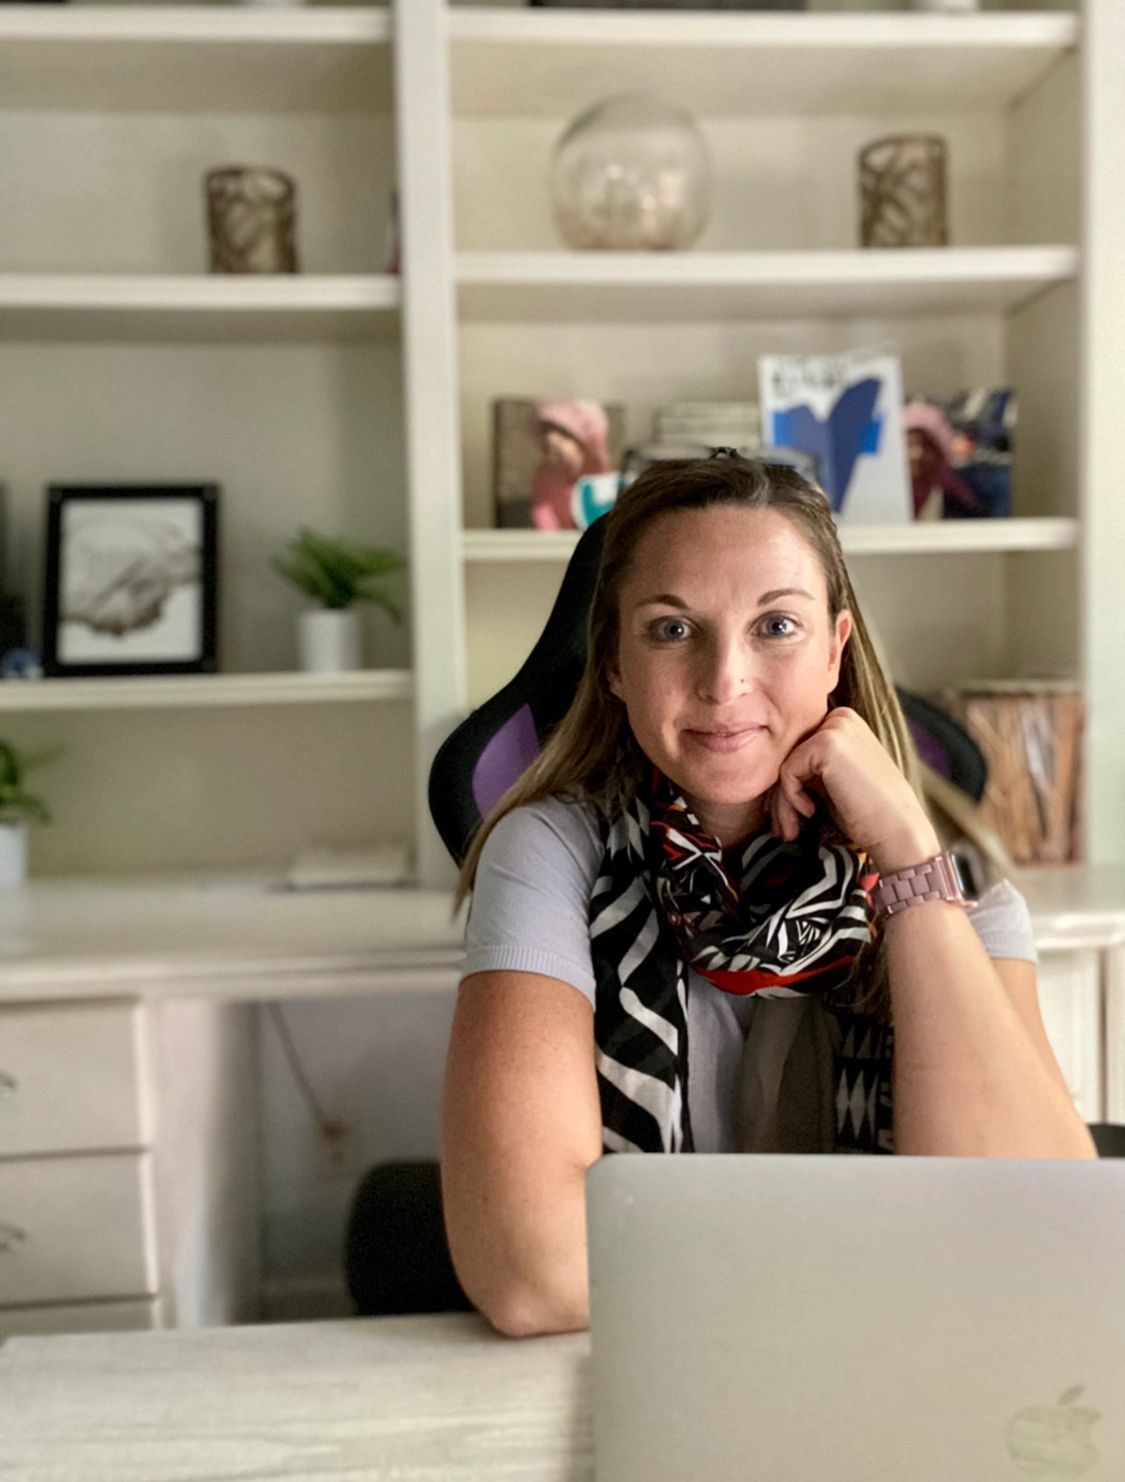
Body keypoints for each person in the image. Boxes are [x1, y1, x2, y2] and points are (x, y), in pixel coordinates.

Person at [442, 453, 1096, 1340]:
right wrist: (895, 1252)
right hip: (656, 1380)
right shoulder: (552, 852)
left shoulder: (950, 879)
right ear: (614, 667)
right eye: (672, 631)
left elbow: (1044, 1234)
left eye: (775, 626)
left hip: (901, 1379)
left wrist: (906, 862)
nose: (724, 681)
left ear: (836, 651)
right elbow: (536, 1274)